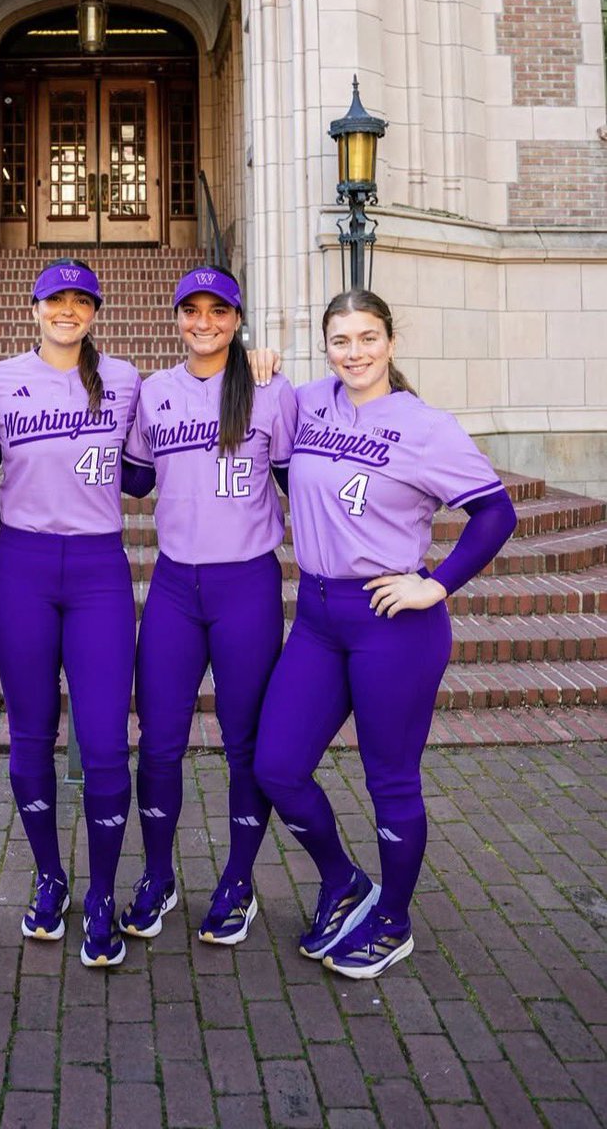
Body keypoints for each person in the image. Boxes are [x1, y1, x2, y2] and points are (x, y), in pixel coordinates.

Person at [254, 289, 517, 979]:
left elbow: (494, 514)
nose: (354, 353)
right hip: (315, 616)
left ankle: (392, 919)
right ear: (326, 346)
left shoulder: (425, 426)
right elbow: (263, 425)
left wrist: (435, 584)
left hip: (391, 622)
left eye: (367, 338)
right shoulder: (310, 402)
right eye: (340, 340)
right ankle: (343, 881)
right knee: (276, 766)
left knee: (389, 781)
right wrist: (259, 366)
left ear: (390, 342)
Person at [118, 265, 298, 945]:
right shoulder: (153, 391)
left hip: (245, 585)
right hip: (173, 587)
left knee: (243, 743)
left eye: (217, 310)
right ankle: (157, 875)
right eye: (190, 310)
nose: (203, 322)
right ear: (175, 318)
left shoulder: (267, 389)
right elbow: (131, 477)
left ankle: (238, 882)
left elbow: (299, 477)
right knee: (157, 743)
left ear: (235, 318)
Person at [0, 258, 141, 967]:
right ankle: (49, 876)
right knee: (29, 733)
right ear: (33, 308)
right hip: (21, 569)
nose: (67, 310)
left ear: (95, 312)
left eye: (80, 301)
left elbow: (145, 472)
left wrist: (255, 368)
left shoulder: (126, 381)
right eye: (54, 300)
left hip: (100, 570)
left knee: (103, 741)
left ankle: (101, 892)